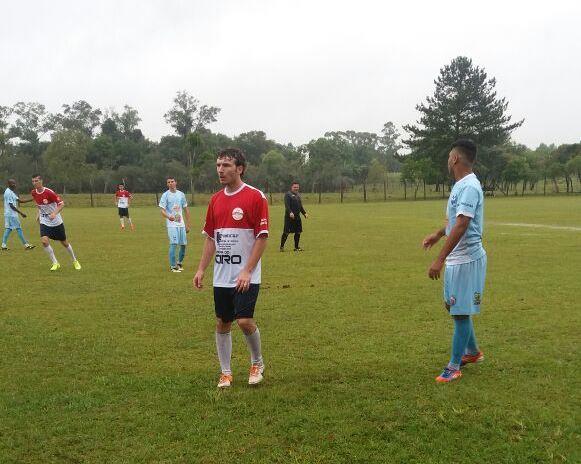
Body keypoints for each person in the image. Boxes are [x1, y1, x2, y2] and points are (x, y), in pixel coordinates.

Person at [193, 148, 269, 388]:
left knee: (244, 321)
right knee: (222, 322)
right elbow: (210, 238)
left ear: (240, 168)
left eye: (225, 165)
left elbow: (262, 237)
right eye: (218, 165)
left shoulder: (256, 197)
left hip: (246, 275)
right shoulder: (215, 200)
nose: (220, 170)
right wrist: (201, 269)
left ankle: (257, 362)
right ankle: (225, 372)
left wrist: (247, 270)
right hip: (221, 277)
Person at [422, 139, 486, 383]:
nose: (448, 160)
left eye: (449, 156)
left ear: (456, 158)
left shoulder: (470, 186)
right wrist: (437, 235)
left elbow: (462, 224)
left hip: (467, 259)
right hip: (456, 259)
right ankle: (472, 352)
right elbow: (453, 220)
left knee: (459, 312)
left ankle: (453, 367)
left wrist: (439, 259)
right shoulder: (461, 185)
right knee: (452, 306)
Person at [30, 174, 81, 271]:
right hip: (44, 220)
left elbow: (61, 204)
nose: (34, 183)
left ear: (41, 181)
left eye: (36, 181)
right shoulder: (33, 193)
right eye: (33, 181)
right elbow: (39, 205)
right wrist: (38, 214)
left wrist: (54, 213)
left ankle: (75, 260)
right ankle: (55, 263)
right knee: (44, 241)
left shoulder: (49, 192)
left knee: (64, 243)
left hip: (56, 221)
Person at [159, 177, 190, 272]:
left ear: (176, 182)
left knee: (183, 245)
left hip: (181, 224)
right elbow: (162, 210)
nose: (171, 183)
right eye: (169, 182)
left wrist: (188, 224)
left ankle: (179, 263)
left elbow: (186, 209)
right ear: (167, 184)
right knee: (174, 244)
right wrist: (168, 217)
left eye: (172, 181)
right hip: (172, 225)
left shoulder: (181, 194)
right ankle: (173, 266)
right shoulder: (165, 195)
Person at [2, 179, 35, 251]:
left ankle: (3, 245)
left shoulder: (11, 192)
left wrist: (32, 199)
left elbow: (20, 201)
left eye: (15, 183)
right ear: (9, 184)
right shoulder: (8, 193)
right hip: (11, 214)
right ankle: (26, 245)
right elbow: (11, 205)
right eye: (12, 183)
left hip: (9, 214)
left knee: (9, 229)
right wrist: (21, 213)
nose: (14, 185)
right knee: (18, 228)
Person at [280, 181, 308, 252]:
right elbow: (287, 205)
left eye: (297, 187)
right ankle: (282, 247)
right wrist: (290, 212)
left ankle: (296, 247)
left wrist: (304, 213)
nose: (296, 188)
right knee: (286, 232)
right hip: (289, 217)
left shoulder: (298, 195)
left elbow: (300, 206)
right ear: (291, 187)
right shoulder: (288, 195)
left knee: (298, 232)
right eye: (295, 187)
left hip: (297, 217)